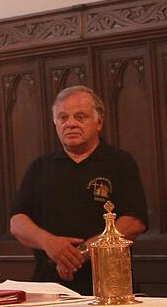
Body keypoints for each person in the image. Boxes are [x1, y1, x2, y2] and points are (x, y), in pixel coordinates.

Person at [10, 85, 148, 295]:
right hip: (48, 287)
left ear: (99, 122)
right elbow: (17, 222)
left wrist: (81, 253)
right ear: (55, 123)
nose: (71, 124)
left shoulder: (120, 162)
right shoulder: (40, 166)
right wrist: (50, 244)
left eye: (80, 116)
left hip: (109, 285)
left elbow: (135, 221)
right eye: (63, 117)